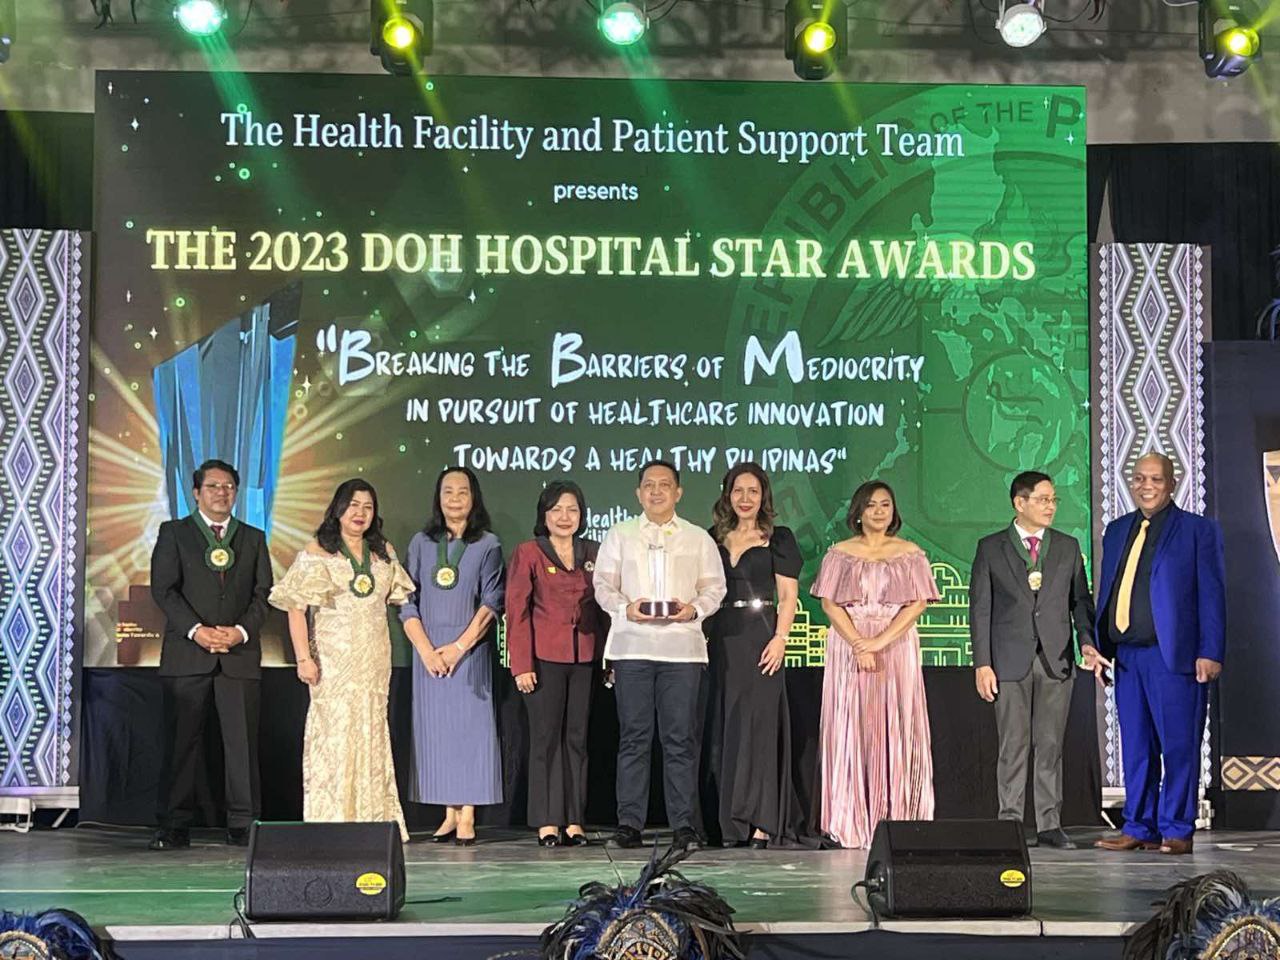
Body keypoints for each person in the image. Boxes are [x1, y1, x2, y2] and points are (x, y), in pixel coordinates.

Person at [1088, 453, 1225, 856]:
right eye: (1139, 478)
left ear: (1172, 483)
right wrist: (1100, 646)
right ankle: (1139, 826)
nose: (1146, 486)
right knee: (1136, 747)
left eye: (1155, 479)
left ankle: (1177, 828)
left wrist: (1210, 651)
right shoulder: (1117, 530)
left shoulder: (1197, 530)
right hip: (1127, 658)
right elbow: (1110, 590)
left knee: (1179, 746)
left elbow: (1212, 594)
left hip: (1175, 658)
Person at [269, 479, 415, 842]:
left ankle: (374, 820)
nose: (360, 513)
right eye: (353, 505)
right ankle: (331, 821)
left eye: (368, 506)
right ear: (338, 509)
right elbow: (295, 608)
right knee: (334, 736)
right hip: (333, 663)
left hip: (374, 661)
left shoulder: (383, 552)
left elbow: (397, 599)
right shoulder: (319, 551)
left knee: (372, 732)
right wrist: (303, 658)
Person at [594, 460, 727, 850]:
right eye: (649, 485)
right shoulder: (620, 534)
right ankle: (629, 823)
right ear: (638, 493)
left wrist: (694, 610)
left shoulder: (697, 538)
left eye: (664, 485)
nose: (656, 491)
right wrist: (625, 608)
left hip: (682, 651)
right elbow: (602, 585)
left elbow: (715, 588)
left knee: (680, 739)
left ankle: (684, 825)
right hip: (632, 647)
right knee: (634, 737)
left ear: (678, 493)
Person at [148, 458, 273, 850]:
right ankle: (174, 825)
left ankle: (243, 824)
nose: (222, 493)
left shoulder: (253, 538)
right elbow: (163, 589)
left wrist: (238, 632)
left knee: (242, 746)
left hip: (238, 655)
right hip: (188, 654)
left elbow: (263, 595)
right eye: (214, 486)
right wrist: (197, 631)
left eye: (229, 487)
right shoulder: (175, 533)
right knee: (181, 744)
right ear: (196, 493)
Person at [970, 471, 1096, 849]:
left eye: (1054, 500)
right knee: (1013, 744)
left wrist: (1086, 643)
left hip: (1056, 659)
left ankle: (1048, 824)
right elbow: (980, 609)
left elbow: (1080, 602)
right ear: (1019, 503)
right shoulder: (991, 548)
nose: (1050, 507)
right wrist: (982, 663)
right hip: (1008, 660)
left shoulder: (1068, 547)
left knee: (1050, 744)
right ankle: (1009, 822)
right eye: (1043, 500)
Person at [811, 480, 939, 849]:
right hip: (849, 645)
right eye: (871, 505)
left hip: (895, 646)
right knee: (852, 725)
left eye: (885, 504)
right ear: (858, 512)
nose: (879, 511)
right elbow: (829, 603)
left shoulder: (910, 553)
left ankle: (898, 818)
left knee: (896, 724)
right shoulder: (839, 554)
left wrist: (878, 643)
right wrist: (858, 643)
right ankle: (850, 819)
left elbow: (917, 604)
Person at [400, 466, 505, 846]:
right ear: (438, 497)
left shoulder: (488, 544)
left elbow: (492, 601)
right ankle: (448, 813)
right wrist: (427, 651)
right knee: (438, 733)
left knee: (470, 732)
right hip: (428, 651)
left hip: (468, 651)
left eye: (463, 491)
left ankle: (468, 815)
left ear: (474, 498)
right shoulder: (420, 543)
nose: (455, 498)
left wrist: (459, 647)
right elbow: (406, 599)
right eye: (448, 491)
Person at [704, 463, 802, 849]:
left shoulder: (779, 538)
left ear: (764, 497)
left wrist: (781, 638)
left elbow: (788, 596)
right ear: (727, 495)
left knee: (760, 727)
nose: (745, 499)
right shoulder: (711, 537)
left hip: (761, 637)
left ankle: (762, 821)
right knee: (726, 726)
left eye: (753, 491)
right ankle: (730, 823)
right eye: (738, 491)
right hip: (721, 638)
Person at [506, 480, 604, 847]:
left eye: (572, 510)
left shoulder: (594, 552)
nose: (565, 517)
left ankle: (574, 820)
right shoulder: (529, 552)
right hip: (543, 659)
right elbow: (516, 611)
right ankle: (547, 821)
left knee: (577, 739)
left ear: (582, 515)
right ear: (544, 515)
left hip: (585, 656)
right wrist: (521, 665)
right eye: (557, 510)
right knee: (546, 739)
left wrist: (609, 656)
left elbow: (606, 608)